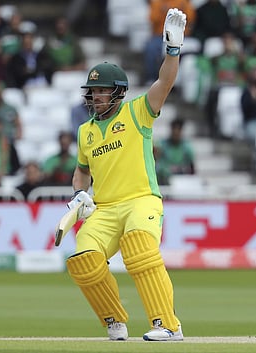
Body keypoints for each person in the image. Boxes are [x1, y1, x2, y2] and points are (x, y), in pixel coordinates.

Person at [63, 8, 186, 341]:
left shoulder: (138, 112)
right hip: (104, 210)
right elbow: (81, 171)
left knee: (138, 249)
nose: (94, 96)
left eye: (101, 91)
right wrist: (79, 194)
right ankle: (114, 321)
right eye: (92, 91)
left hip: (141, 201)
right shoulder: (85, 131)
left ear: (117, 91)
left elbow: (165, 81)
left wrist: (172, 51)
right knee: (82, 258)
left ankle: (168, 325)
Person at [155, 118, 195, 185]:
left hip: (181, 181)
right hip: (164, 180)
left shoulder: (187, 148)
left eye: (178, 130)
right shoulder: (163, 145)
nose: (176, 132)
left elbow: (192, 169)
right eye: (174, 129)